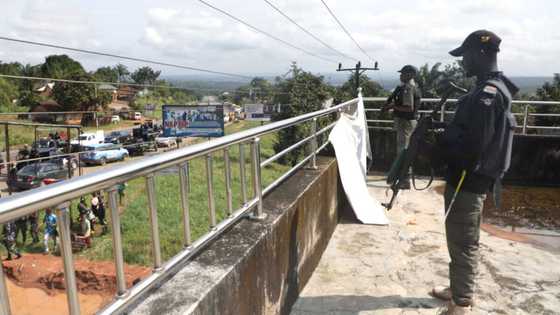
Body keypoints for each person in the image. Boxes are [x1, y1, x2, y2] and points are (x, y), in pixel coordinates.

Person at [431, 30, 518, 314]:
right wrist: (448, 130)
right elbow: (472, 132)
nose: (462, 62)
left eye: (465, 56)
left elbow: (473, 146)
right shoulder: (489, 87)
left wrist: (440, 145)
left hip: (469, 178)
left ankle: (462, 304)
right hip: (470, 177)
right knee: (460, 237)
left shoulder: (488, 94)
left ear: (481, 53)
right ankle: (458, 288)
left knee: (463, 240)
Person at [383, 65, 422, 189]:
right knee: (404, 150)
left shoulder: (408, 88)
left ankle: (405, 180)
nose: (401, 75)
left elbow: (408, 108)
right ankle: (402, 178)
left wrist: (392, 107)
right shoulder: (409, 87)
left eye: (403, 73)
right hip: (406, 123)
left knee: (403, 152)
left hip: (406, 123)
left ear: (410, 74)